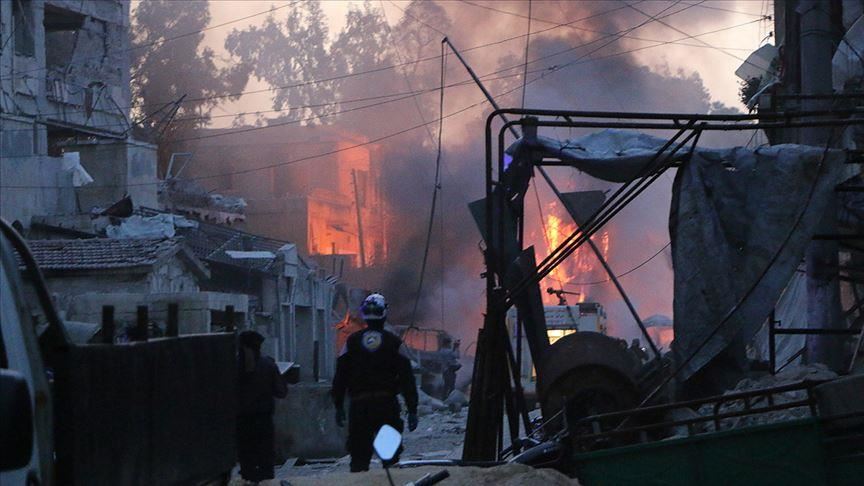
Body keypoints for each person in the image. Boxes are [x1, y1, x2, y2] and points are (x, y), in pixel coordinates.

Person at [331, 293, 419, 472]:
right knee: (390, 459)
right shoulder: (394, 342)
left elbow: (340, 375)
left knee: (359, 456)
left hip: (359, 408)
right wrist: (412, 409)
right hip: (386, 406)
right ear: (384, 313)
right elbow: (407, 378)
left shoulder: (351, 342)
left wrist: (338, 405)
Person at [237, 330, 287, 483]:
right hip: (263, 419)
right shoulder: (268, 365)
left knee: (247, 461)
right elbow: (281, 391)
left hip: (242, 421)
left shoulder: (233, 365)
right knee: (265, 459)